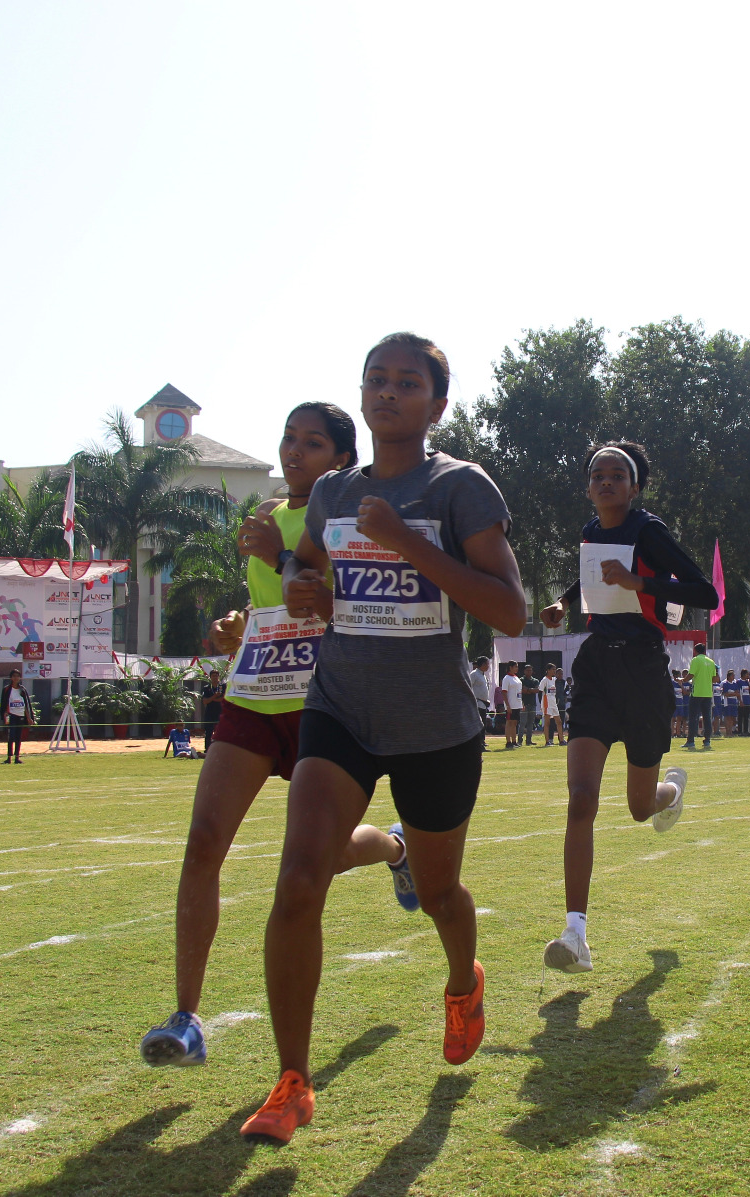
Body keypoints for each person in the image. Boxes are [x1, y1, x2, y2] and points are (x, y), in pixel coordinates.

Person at [242, 332, 527, 1144]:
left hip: (436, 725)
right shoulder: (333, 492)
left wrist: (406, 542)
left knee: (441, 894)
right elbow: (308, 570)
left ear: (437, 405)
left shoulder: (460, 487)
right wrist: (302, 589)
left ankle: (462, 980)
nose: (389, 392)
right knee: (299, 881)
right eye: (377, 379)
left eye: (408, 382)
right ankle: (292, 1081)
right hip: (342, 710)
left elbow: (508, 608)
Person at [140, 400, 405, 1074]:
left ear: (341, 459)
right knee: (203, 843)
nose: (294, 452)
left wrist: (281, 554)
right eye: (289, 439)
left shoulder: (350, 519)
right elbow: (271, 604)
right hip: (255, 697)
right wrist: (239, 627)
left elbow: (344, 598)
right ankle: (187, 1017)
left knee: (322, 858)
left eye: (312, 443)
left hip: (327, 702)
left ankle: (395, 846)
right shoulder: (260, 521)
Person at [537, 438, 719, 976]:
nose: (607, 482)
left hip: (642, 670)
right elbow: (593, 576)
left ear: (635, 486)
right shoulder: (592, 532)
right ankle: (575, 935)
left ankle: (671, 791)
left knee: (641, 808)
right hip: (596, 669)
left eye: (618, 475)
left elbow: (703, 593)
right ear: (589, 486)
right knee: (580, 800)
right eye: (598, 475)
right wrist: (564, 603)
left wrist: (640, 581)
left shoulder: (648, 531)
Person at [685, 644, 716, 748]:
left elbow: (691, 674)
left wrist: (683, 680)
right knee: (707, 717)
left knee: (693, 717)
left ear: (695, 651)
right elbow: (715, 678)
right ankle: (707, 740)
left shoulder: (695, 660)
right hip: (707, 693)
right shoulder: (711, 661)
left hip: (697, 692)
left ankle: (691, 741)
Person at [2, 669, 31, 763]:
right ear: (11, 678)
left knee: (18, 737)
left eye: (18, 676)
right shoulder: (7, 689)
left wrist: (29, 717)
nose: (16, 678)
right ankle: (9, 757)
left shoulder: (22, 690)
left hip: (20, 716)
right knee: (11, 736)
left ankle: (17, 757)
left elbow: (26, 704)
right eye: (14, 676)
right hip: (11, 715)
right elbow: (3, 703)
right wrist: (5, 713)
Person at [200, 670, 225, 751]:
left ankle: (221, 749)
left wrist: (211, 699)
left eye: (216, 676)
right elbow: (205, 701)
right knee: (208, 732)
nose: (215, 677)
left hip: (220, 712)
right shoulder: (206, 688)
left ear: (218, 677)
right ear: (210, 677)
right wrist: (215, 696)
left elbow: (223, 699)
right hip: (209, 713)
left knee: (221, 732)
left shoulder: (223, 686)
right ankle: (207, 749)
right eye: (213, 676)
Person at [541, 663, 564, 746]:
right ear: (548, 670)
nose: (554, 671)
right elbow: (540, 691)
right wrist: (542, 705)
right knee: (547, 723)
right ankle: (547, 742)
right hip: (547, 704)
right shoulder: (544, 680)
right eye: (553, 669)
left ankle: (561, 740)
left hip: (554, 703)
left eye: (555, 669)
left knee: (559, 722)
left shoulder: (554, 679)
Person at [468, 657, 492, 739]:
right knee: (478, 724)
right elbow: (468, 687)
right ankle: (479, 742)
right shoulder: (474, 674)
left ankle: (482, 741)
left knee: (483, 724)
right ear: (482, 664)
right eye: (487, 664)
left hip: (483, 704)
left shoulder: (483, 675)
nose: (488, 666)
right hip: (477, 703)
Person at [500, 662, 522, 748]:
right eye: (515, 667)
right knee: (509, 722)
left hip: (517, 704)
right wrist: (507, 705)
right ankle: (508, 742)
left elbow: (519, 692)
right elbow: (504, 692)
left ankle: (514, 741)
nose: (517, 668)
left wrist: (521, 703)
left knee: (515, 723)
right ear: (510, 667)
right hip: (511, 704)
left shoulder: (517, 678)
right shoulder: (506, 678)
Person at [519, 664, 540, 746]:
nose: (529, 672)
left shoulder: (535, 680)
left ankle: (529, 740)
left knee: (531, 723)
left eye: (530, 670)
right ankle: (519, 741)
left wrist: (528, 689)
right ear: (524, 671)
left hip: (532, 704)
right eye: (527, 670)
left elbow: (537, 690)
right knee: (523, 722)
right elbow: (522, 690)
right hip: (523, 703)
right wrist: (531, 690)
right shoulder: (521, 680)